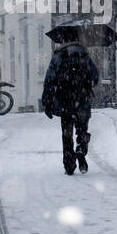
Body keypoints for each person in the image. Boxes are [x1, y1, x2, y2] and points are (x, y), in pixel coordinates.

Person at [41, 41, 99, 174]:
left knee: (67, 135)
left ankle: (69, 164)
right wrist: (85, 84)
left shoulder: (58, 57)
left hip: (65, 101)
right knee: (82, 130)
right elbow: (95, 78)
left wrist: (47, 102)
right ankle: (81, 149)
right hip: (83, 102)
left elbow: (49, 80)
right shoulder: (85, 56)